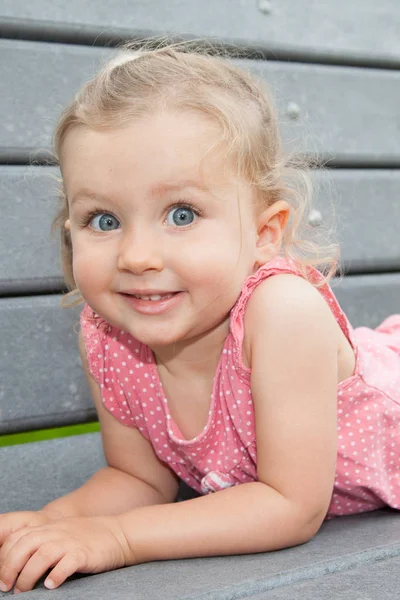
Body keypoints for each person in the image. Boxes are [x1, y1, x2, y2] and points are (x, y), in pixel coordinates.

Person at [0, 43, 399, 595]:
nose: (137, 255)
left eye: (181, 214)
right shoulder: (109, 335)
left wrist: (117, 538)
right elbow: (138, 478)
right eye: (104, 218)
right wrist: (54, 523)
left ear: (265, 233)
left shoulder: (281, 312)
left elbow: (289, 505)